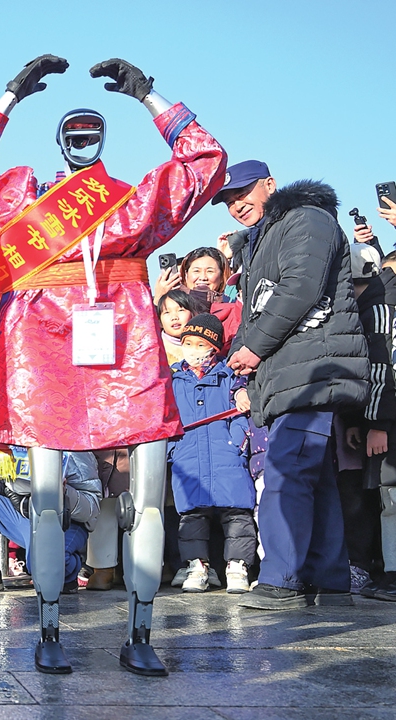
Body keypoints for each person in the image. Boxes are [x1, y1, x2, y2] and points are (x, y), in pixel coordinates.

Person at [0, 54, 226, 675]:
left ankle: (142, 631)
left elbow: (205, 165)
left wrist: (153, 99)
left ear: (102, 140)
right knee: (45, 497)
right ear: (58, 141)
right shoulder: (24, 201)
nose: (81, 141)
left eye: (91, 131)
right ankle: (47, 628)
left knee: (146, 498)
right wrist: (5, 98)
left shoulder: (129, 199)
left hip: (125, 345)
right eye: (71, 133)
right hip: (42, 348)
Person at [217, 160, 369, 611]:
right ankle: (329, 580)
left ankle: (282, 579)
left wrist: (254, 349)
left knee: (285, 471)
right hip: (293, 370)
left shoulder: (307, 218)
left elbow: (300, 289)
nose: (235, 204)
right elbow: (257, 308)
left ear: (270, 184)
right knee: (315, 478)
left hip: (311, 371)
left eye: (243, 191)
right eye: (226, 200)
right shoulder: (261, 238)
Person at [167, 314, 257, 594]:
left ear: (214, 347)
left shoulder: (230, 377)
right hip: (188, 458)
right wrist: (174, 450)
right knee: (192, 516)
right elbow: (167, 419)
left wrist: (238, 443)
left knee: (237, 514)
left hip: (226, 455)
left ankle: (237, 565)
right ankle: (197, 565)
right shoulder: (172, 379)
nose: (193, 349)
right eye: (188, 343)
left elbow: (241, 414)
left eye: (200, 344)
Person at [0, 452, 101, 594]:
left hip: (66, 522)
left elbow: (92, 507)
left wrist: (62, 493)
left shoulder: (75, 449)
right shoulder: (16, 440)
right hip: (26, 515)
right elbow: (7, 486)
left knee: (42, 565)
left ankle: (69, 571)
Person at [339, 242, 393, 594]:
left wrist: (377, 423)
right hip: (369, 416)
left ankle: (389, 574)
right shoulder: (369, 307)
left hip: (384, 420)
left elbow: (382, 370)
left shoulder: (377, 310)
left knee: (389, 498)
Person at [157, 288, 210, 366]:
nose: (174, 317)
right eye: (167, 312)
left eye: (180, 310)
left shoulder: (203, 343)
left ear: (193, 314)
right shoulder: (157, 347)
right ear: (160, 322)